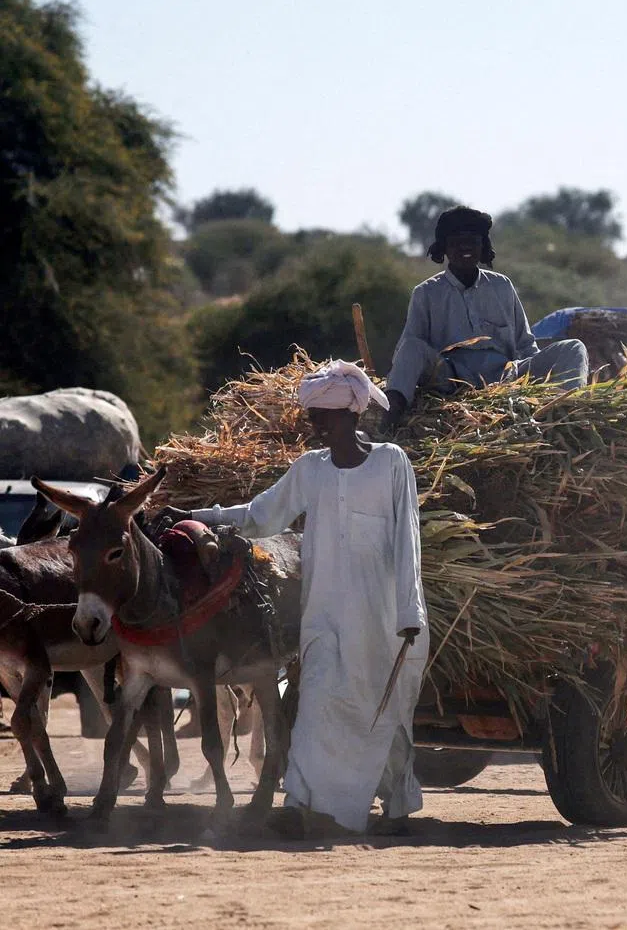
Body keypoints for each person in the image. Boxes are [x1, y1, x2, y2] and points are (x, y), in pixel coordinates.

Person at [163, 359, 429, 837]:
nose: (314, 425)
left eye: (320, 416)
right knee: (316, 704)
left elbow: (408, 539)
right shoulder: (310, 471)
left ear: (349, 415)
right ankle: (300, 800)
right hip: (324, 614)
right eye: (314, 417)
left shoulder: (392, 463)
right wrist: (197, 514)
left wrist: (410, 612)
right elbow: (261, 515)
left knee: (383, 713)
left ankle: (397, 803)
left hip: (386, 618)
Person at [384, 205, 589, 431]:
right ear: (445, 248)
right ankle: (389, 421)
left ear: (483, 246)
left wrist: (535, 380)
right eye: (456, 241)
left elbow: (525, 344)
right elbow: (408, 352)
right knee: (411, 347)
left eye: (472, 240)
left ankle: (568, 416)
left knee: (574, 348)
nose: (465, 247)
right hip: (451, 380)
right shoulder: (426, 293)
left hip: (506, 375)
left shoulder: (502, 286)